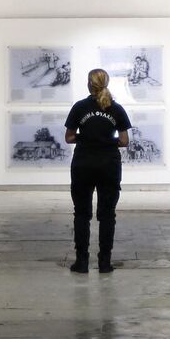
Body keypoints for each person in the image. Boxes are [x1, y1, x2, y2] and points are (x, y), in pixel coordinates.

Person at [63, 68, 131, 273]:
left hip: (83, 163)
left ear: (88, 84)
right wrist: (106, 141)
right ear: (106, 83)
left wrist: (87, 138)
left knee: (82, 213)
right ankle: (104, 262)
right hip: (109, 164)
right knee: (107, 214)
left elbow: (69, 137)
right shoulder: (116, 108)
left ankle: (82, 261)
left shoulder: (79, 107)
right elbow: (124, 141)